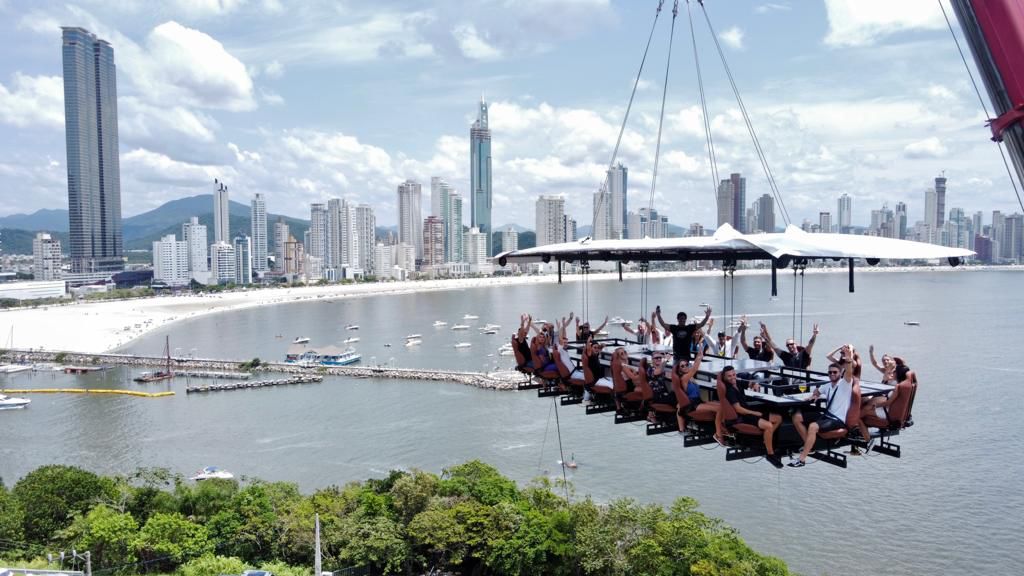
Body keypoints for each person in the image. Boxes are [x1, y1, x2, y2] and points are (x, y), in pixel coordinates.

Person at [789, 346, 856, 467]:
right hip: (827, 416)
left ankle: (802, 459)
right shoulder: (828, 385)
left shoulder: (845, 384)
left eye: (835, 372)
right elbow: (818, 391)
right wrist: (814, 396)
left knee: (813, 426)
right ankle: (809, 446)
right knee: (796, 417)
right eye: (830, 372)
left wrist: (849, 359)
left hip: (837, 420)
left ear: (840, 373)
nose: (832, 374)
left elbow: (849, 373)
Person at [721, 365, 784, 468]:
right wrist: (754, 413)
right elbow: (738, 409)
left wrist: (754, 384)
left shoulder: (736, 382)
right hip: (744, 415)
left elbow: (749, 383)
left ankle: (765, 439)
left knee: (778, 418)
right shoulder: (730, 390)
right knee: (768, 426)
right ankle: (770, 454)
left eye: (733, 375)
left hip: (749, 410)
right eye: (729, 376)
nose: (732, 377)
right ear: (724, 378)